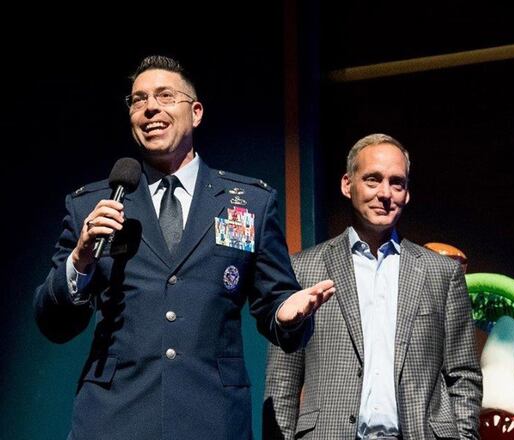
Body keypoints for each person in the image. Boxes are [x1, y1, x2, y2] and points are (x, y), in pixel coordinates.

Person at [33, 55, 334, 440]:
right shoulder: (92, 206)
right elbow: (52, 323)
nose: (150, 108)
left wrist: (286, 314)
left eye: (164, 96)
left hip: (211, 418)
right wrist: (80, 259)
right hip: (113, 419)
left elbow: (276, 303)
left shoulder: (249, 203)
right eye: (138, 100)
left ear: (195, 112)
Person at [264, 133, 482, 439]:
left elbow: (463, 375)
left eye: (397, 183)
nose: (385, 193)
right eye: (372, 179)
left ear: (406, 193)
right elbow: (282, 383)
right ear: (347, 184)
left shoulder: (440, 273)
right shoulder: (303, 268)